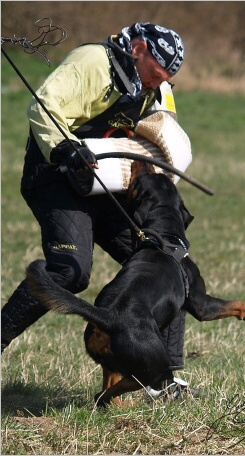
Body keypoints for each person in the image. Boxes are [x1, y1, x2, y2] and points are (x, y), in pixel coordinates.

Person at [2, 22, 198, 399]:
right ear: (138, 48)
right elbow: (43, 106)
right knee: (71, 272)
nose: (158, 86)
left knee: (173, 264)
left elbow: (165, 123)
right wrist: (66, 148)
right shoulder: (93, 62)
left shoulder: (156, 87)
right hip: (56, 176)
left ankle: (167, 379)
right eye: (155, 76)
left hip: (105, 184)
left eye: (165, 80)